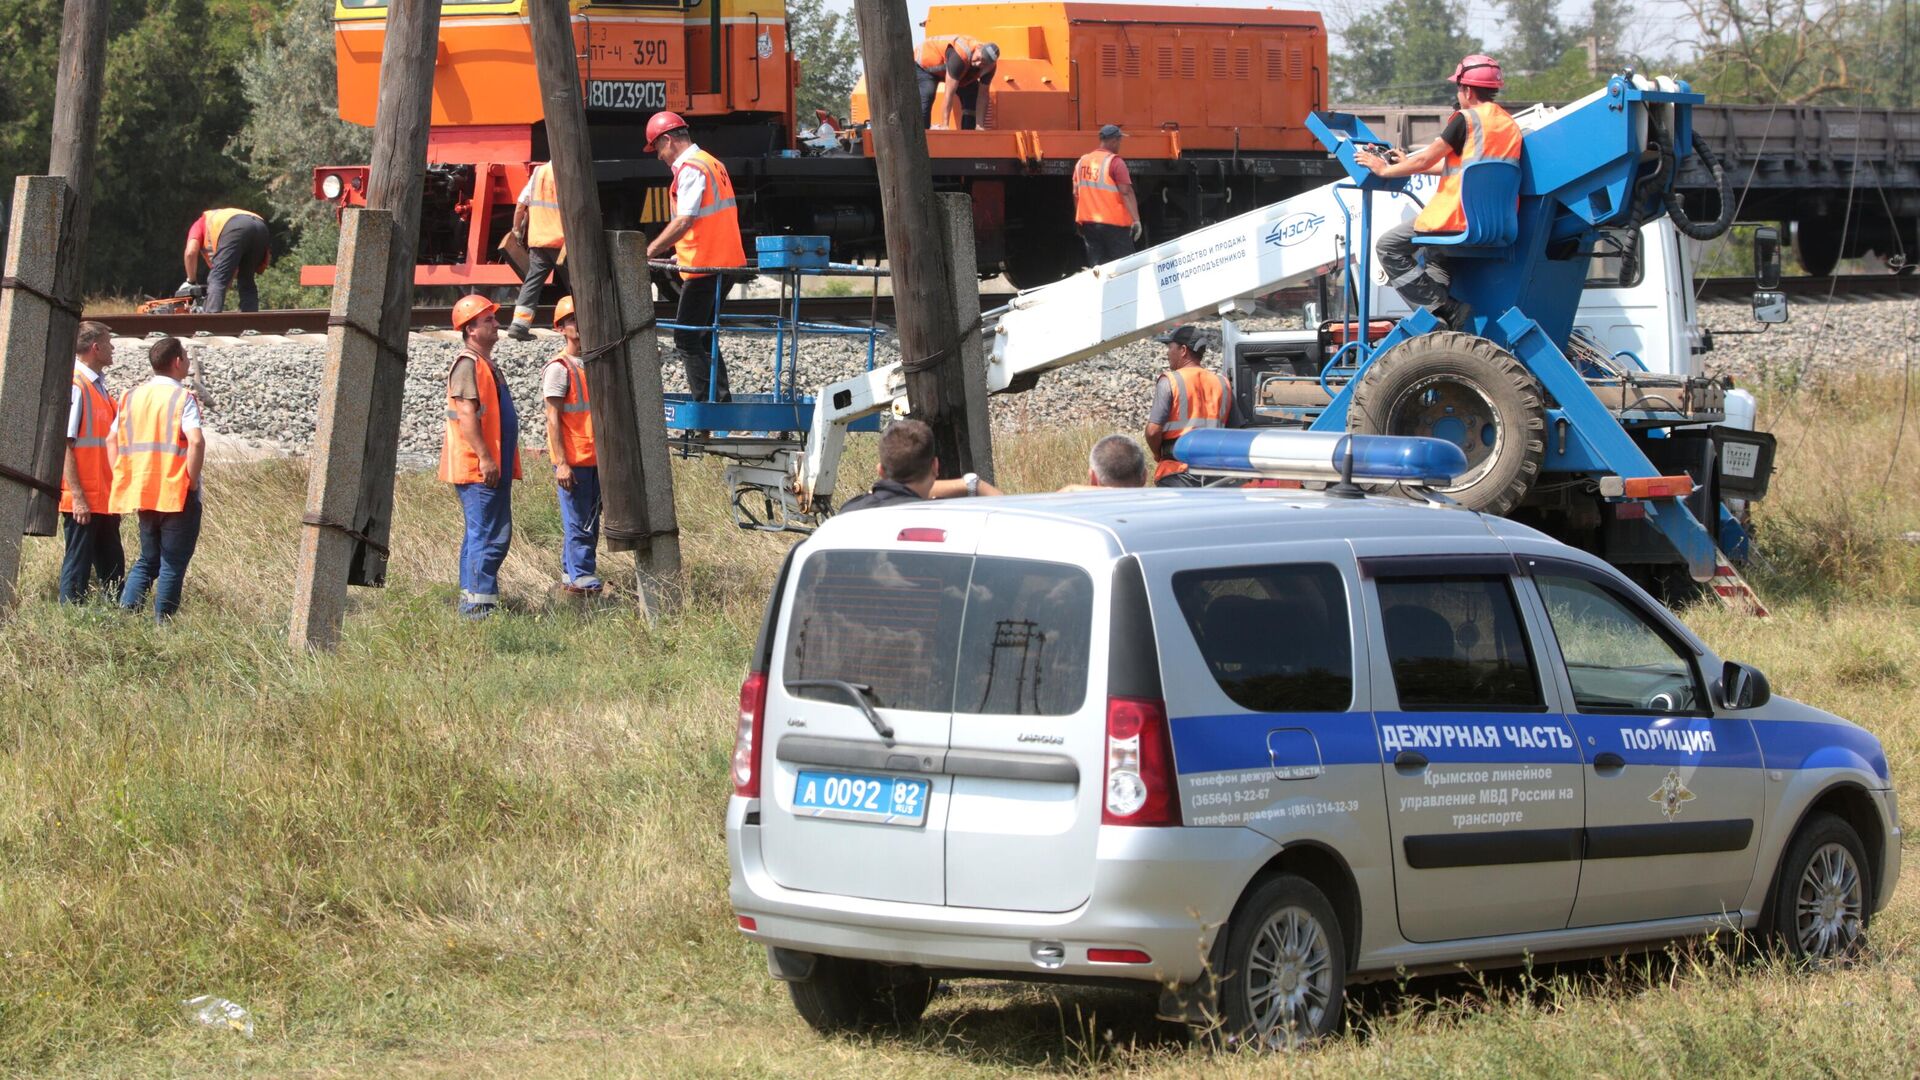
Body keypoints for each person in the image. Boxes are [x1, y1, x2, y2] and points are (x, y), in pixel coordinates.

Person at [1352, 54, 1521, 330]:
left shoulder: (1465, 120)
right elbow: (1461, 167)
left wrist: (1381, 169)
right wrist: (1408, 165)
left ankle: (1444, 309)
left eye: (1458, 88)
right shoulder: (1507, 124)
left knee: (1388, 246)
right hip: (1494, 224)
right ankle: (1441, 319)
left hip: (1457, 218)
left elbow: (1426, 159)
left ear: (1466, 90)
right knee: (1435, 253)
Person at [644, 111, 747, 405]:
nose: (659, 156)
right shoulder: (712, 162)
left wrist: (650, 251)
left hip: (706, 266)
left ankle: (706, 408)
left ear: (668, 140)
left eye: (657, 148)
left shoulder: (690, 168)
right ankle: (720, 402)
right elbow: (706, 222)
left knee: (686, 338)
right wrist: (680, 254)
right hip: (723, 262)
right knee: (703, 335)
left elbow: (685, 220)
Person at [109, 337, 205, 622]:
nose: (188, 361)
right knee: (172, 563)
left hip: (142, 490)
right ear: (177, 362)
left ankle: (126, 617)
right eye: (186, 357)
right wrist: (193, 479)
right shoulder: (182, 397)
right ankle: (164, 623)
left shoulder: (131, 396)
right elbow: (196, 442)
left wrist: (122, 474)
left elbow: (110, 438)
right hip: (175, 491)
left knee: (147, 560)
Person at [439, 294, 522, 619]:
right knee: (489, 535)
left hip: (489, 468)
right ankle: (477, 611)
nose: (496, 323)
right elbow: (466, 415)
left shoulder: (485, 364)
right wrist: (486, 458)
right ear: (470, 328)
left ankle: (473, 602)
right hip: (478, 469)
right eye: (488, 319)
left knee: (484, 534)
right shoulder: (467, 364)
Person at [58, 321, 123, 603]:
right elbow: (65, 445)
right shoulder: (76, 386)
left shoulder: (97, 388)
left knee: (114, 570)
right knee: (77, 569)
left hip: (103, 500)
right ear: (95, 348)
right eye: (109, 343)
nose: (112, 348)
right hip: (84, 501)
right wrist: (79, 498)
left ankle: (120, 619)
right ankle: (71, 621)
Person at [542, 296, 601, 594]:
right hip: (574, 460)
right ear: (561, 328)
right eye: (572, 319)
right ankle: (582, 576)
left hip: (593, 458)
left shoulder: (592, 363)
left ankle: (571, 573)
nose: (579, 324)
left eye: (581, 317)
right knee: (580, 522)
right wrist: (562, 463)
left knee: (588, 519)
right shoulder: (559, 368)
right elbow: (553, 419)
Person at [839, 419, 1002, 512]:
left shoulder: (848, 513)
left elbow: (897, 491)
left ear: (880, 471)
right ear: (935, 467)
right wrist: (974, 485)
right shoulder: (941, 521)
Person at [1144, 325, 1234, 487]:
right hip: (1216, 473)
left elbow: (1152, 431)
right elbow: (1234, 430)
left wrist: (1158, 454)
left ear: (1183, 350)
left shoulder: (1170, 381)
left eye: (1170, 347)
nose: (1167, 353)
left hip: (1177, 472)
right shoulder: (1223, 383)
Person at [507, 161, 564, 340]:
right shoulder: (566, 169)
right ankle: (580, 325)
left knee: (532, 282)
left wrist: (516, 230)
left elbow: (521, 204)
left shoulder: (539, 172)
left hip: (538, 241)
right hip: (560, 241)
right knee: (577, 285)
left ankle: (519, 325)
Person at [1074, 124, 1143, 266]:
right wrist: (1136, 220)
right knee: (1125, 267)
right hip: (1114, 226)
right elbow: (1126, 192)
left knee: (1098, 268)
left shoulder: (1082, 162)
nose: (1120, 144)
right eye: (1119, 141)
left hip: (1090, 225)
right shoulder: (1115, 163)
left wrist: (1079, 221)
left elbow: (1076, 193)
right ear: (1113, 141)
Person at [183, 207, 271, 313]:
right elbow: (231, 272)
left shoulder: (201, 222)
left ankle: (210, 324)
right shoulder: (220, 221)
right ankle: (250, 325)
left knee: (217, 279)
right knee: (247, 281)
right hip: (261, 227)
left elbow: (190, 252)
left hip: (236, 226)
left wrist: (191, 282)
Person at [916, 35, 999, 130]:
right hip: (926, 66)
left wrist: (980, 126)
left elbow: (983, 95)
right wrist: (945, 125)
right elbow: (949, 93)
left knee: (972, 93)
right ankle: (922, 133)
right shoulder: (960, 54)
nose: (979, 63)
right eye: (980, 58)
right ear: (978, 48)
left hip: (954, 69)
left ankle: (968, 133)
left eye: (984, 63)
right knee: (928, 93)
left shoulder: (989, 67)